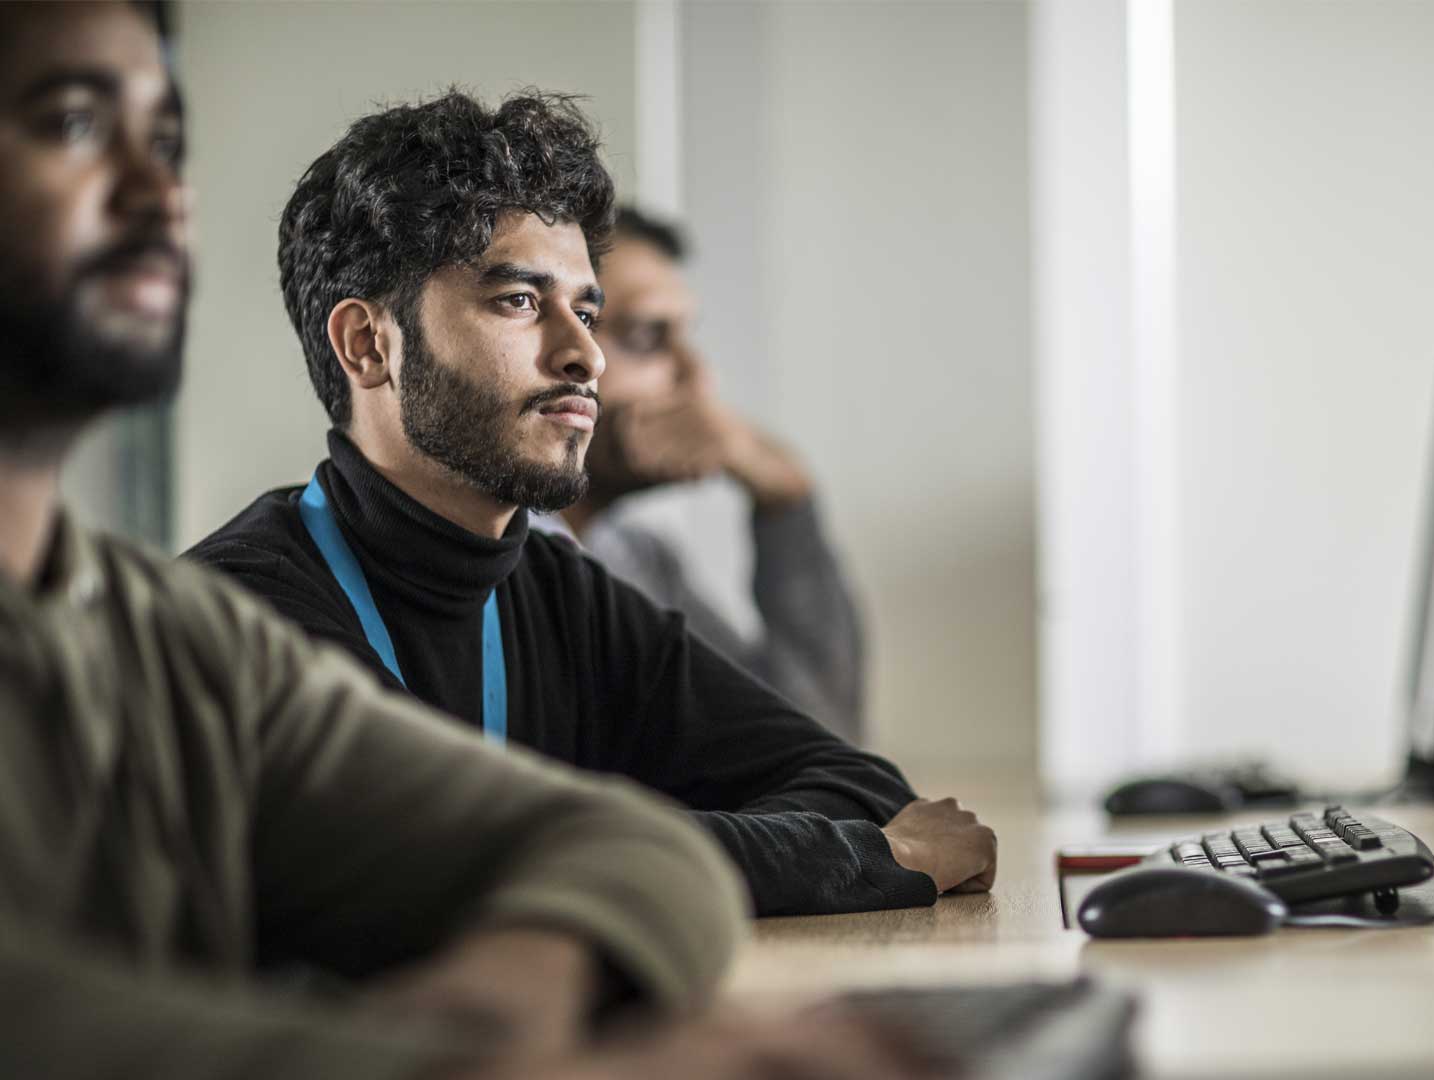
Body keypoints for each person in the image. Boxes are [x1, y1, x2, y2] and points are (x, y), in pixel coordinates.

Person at [0, 3, 760, 1073]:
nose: (158, 194)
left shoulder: (176, 643)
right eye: (74, 122)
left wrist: (484, 1031)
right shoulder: (253, 598)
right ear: (366, 343)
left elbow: (633, 851)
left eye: (168, 144)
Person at [187, 88, 996, 918]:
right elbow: (439, 857)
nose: (585, 356)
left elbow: (859, 783)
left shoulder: (558, 589)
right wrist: (859, 860)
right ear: (369, 344)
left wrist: (596, 854)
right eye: (520, 302)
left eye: (587, 310)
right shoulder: (240, 609)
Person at [543, 206, 865, 743]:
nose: (699, 377)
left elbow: (811, 742)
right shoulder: (496, 563)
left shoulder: (638, 558)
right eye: (647, 336)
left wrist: (787, 498)